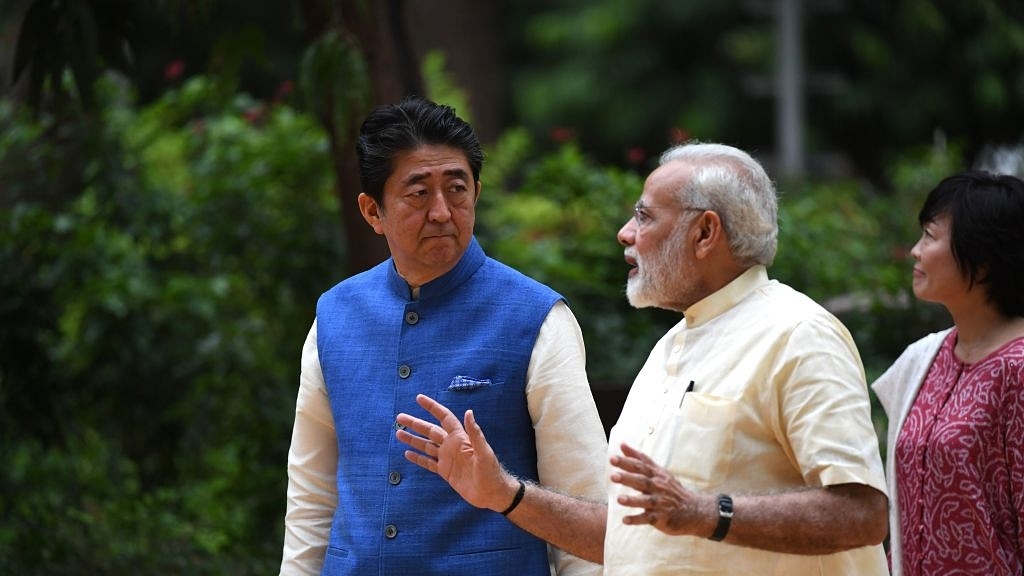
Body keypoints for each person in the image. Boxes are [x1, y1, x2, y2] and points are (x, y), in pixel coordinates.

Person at [396, 142, 891, 575]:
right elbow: (625, 534)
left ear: (705, 233)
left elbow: (862, 514)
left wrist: (708, 513)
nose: (624, 233)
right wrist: (504, 493)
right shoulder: (670, 348)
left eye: (645, 216)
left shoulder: (798, 334)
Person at [279, 96, 608, 576]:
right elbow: (311, 496)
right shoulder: (335, 316)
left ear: (476, 191)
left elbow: (586, 509)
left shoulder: (538, 318)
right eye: (417, 194)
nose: (441, 212)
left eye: (456, 189)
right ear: (373, 212)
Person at [871, 171, 1024, 576]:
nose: (916, 251)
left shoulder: (1019, 368)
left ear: (984, 257)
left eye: (930, 236)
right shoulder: (925, 358)